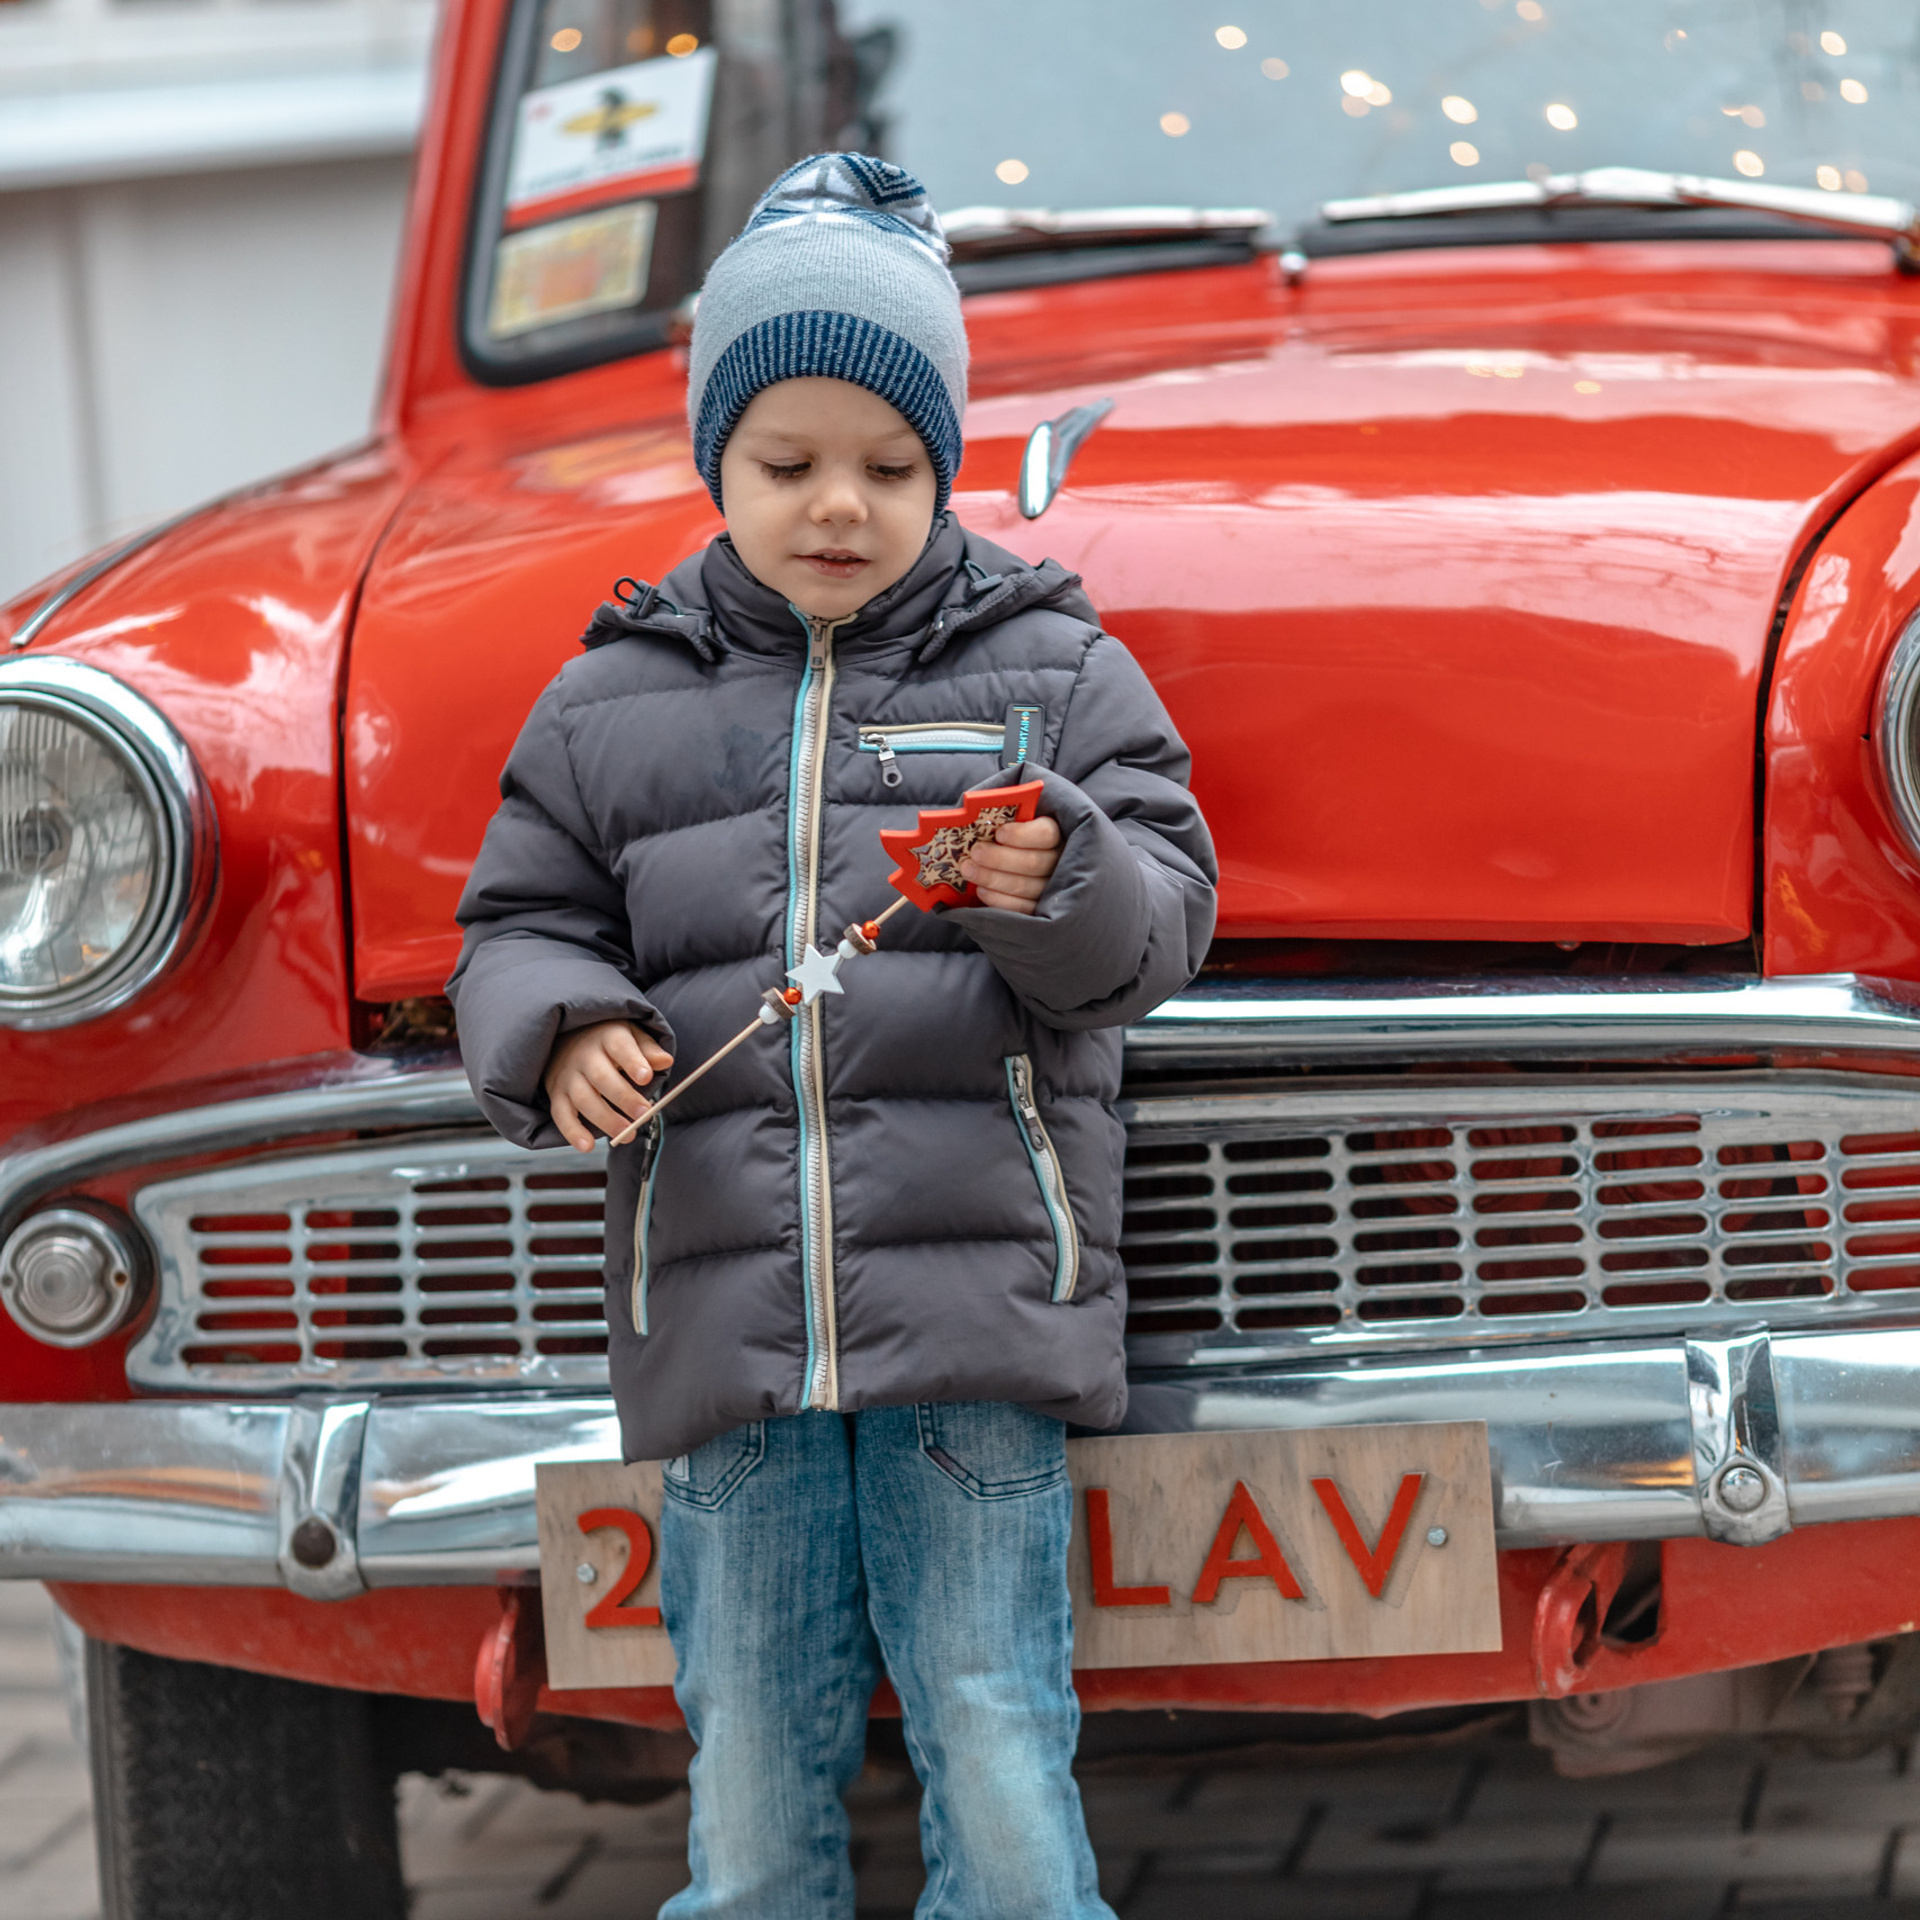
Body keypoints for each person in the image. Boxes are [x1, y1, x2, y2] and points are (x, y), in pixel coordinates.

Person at [449, 152, 1217, 1920]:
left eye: (890, 464)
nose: (838, 507)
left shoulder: (1049, 672)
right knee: (747, 1761)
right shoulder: (604, 705)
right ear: (713, 458)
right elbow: (520, 924)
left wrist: (1056, 873)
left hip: (976, 1343)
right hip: (725, 1349)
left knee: (1001, 1743)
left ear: (947, 463)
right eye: (786, 464)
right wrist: (560, 1030)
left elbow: (1159, 922)